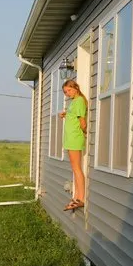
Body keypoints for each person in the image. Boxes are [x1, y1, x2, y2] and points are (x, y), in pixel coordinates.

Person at [60, 79, 87, 211]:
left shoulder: (80, 101)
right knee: (74, 169)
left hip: (75, 138)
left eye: (69, 90)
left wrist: (85, 133)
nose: (67, 93)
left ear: (76, 87)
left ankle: (81, 198)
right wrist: (66, 114)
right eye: (65, 92)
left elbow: (82, 122)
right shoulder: (74, 102)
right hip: (70, 139)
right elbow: (74, 116)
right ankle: (76, 196)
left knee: (77, 168)